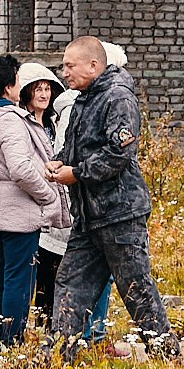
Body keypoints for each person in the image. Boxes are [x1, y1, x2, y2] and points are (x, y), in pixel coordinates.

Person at [46, 36, 180, 360]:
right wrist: (60, 162)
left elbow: (118, 154)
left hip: (120, 214)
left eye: (69, 65)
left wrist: (76, 173)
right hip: (88, 217)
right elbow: (79, 149)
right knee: (70, 283)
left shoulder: (118, 97)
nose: (64, 72)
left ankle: (167, 357)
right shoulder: (83, 99)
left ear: (93, 65)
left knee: (136, 287)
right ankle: (58, 356)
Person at [0, 55, 64, 347]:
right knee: (18, 278)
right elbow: (21, 169)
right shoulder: (10, 119)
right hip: (18, 210)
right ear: (9, 87)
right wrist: (47, 195)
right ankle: (11, 342)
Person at [26, 62, 113, 336]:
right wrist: (51, 191)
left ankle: (75, 332)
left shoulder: (55, 119)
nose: (44, 94)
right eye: (38, 90)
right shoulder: (68, 115)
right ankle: (67, 332)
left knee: (67, 272)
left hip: (69, 204)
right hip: (54, 204)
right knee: (53, 272)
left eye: (47, 89)